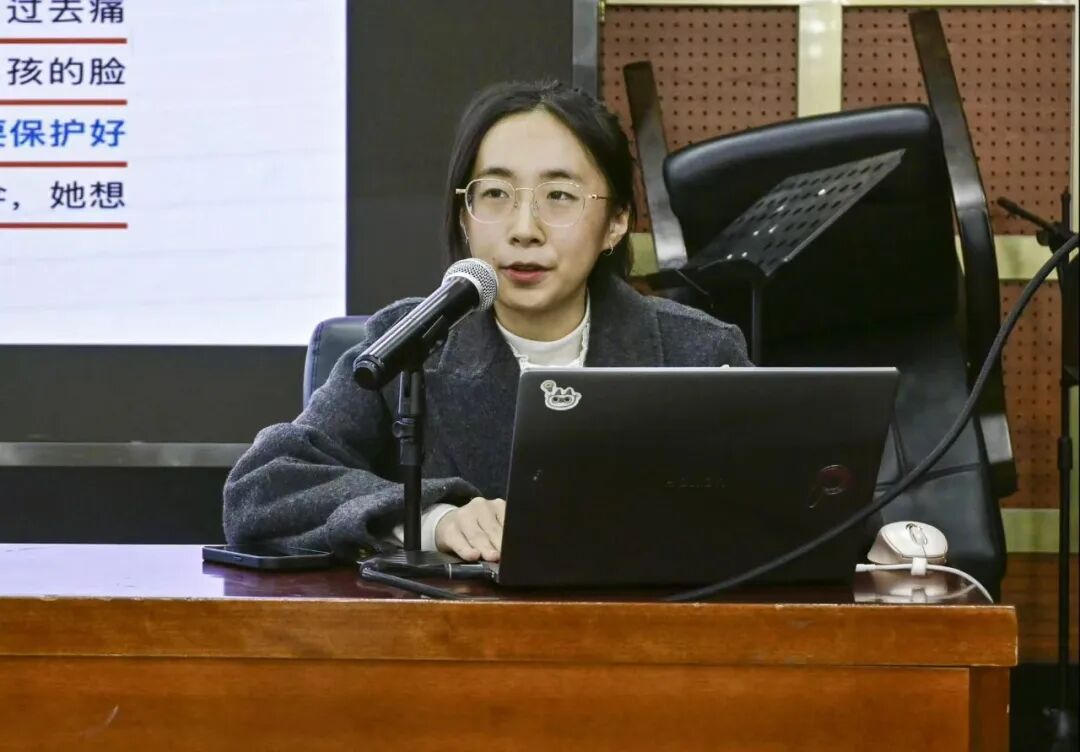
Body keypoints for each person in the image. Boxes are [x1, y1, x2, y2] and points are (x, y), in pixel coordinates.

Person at [223, 80, 751, 563]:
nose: (524, 229)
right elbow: (262, 489)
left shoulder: (698, 352)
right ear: (464, 217)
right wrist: (431, 520)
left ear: (616, 223)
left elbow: (771, 515)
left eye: (559, 196)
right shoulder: (411, 343)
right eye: (495, 194)